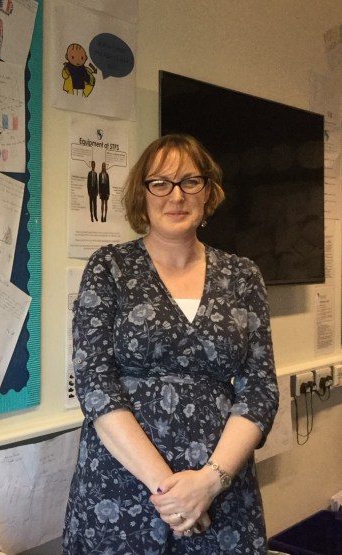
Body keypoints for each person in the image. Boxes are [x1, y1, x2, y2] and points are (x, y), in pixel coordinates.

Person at [62, 134, 279, 554]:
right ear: (141, 195)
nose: (175, 196)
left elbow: (260, 390)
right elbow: (94, 383)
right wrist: (170, 490)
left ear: (209, 192)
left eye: (189, 182)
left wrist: (208, 482)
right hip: (121, 488)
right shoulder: (110, 268)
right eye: (160, 183)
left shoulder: (242, 275)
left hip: (221, 494)